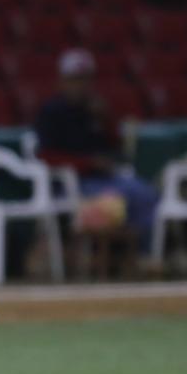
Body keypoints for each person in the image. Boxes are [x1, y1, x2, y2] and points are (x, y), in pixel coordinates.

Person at [33, 49, 159, 251]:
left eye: (85, 79)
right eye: (75, 79)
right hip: (70, 181)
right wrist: (88, 164)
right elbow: (46, 157)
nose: (81, 85)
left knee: (145, 193)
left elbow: (115, 146)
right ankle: (108, 257)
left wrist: (105, 119)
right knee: (115, 198)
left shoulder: (95, 109)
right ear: (62, 80)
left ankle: (145, 254)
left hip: (104, 177)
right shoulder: (51, 112)